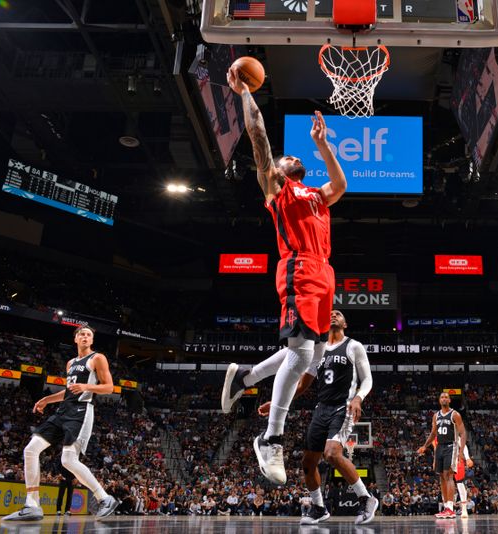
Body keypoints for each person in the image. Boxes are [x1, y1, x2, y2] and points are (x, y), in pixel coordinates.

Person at [221, 61, 347, 486]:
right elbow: (258, 135)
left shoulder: (316, 195)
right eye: (283, 156)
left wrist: (323, 146)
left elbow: (341, 184)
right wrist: (244, 93)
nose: (286, 157)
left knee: (309, 354)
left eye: (292, 157)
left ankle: (247, 375)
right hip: (298, 269)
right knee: (300, 352)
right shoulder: (275, 187)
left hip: (324, 273)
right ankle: (271, 438)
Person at [257, 310, 377, 525]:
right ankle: (319, 508)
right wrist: (276, 404)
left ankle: (366, 498)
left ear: (345, 323)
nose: (333, 315)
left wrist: (359, 398)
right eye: (330, 313)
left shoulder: (353, 346)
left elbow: (367, 379)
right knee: (307, 463)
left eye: (338, 314)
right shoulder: (317, 350)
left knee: (331, 454)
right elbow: (303, 385)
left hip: (343, 407)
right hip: (321, 409)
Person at [2, 326, 119, 521]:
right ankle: (32, 505)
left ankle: (104, 498)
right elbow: (68, 391)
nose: (85, 336)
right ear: (75, 339)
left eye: (89, 335)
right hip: (63, 410)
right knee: (30, 450)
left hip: (81, 411)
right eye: (81, 334)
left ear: (92, 340)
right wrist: (47, 400)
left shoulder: (97, 358)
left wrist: (87, 386)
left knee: (68, 460)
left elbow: (109, 387)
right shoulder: (70, 363)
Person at [417, 392, 469, 519]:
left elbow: (463, 433)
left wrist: (461, 451)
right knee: (441, 477)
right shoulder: (436, 416)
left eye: (446, 397)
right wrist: (425, 445)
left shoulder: (455, 414)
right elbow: (433, 433)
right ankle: (446, 507)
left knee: (448, 475)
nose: (444, 399)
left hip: (451, 446)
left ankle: (450, 508)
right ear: (439, 400)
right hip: (439, 446)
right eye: (442, 397)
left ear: (449, 400)